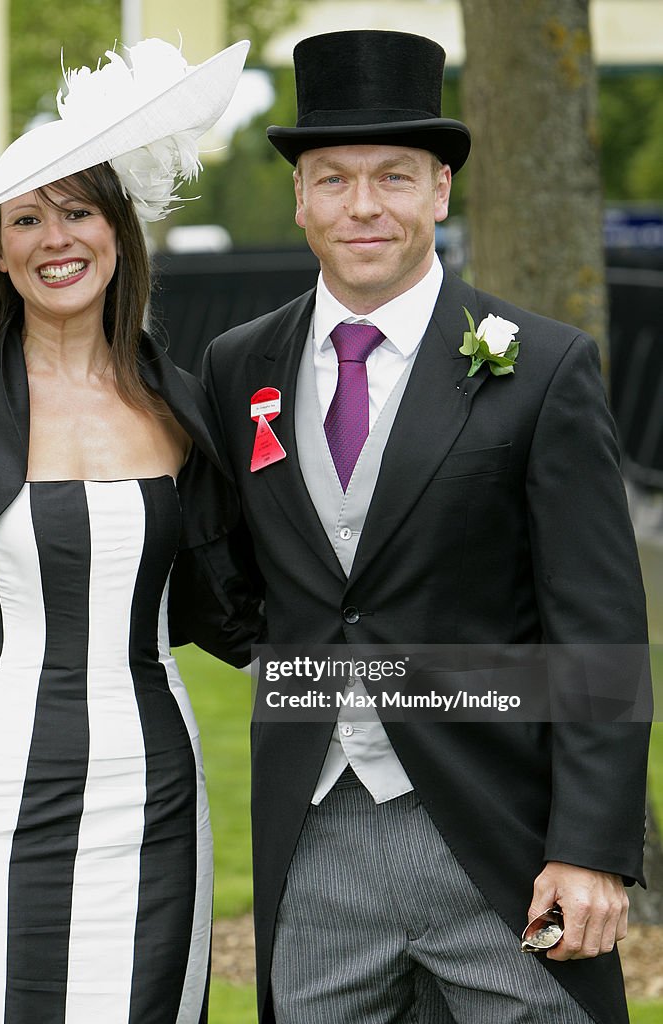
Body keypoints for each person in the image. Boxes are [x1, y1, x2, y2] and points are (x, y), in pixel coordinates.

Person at [181, 29, 650, 1024]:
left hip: (499, 833)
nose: (363, 206)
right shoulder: (237, 366)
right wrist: (34, 591)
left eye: (392, 177)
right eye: (332, 178)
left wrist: (591, 846)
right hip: (313, 838)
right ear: (300, 197)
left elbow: (596, 624)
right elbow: (218, 577)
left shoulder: (542, 366)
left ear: (439, 191)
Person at [0, 38, 254, 1024]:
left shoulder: (183, 405)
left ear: (117, 230)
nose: (54, 237)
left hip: (157, 796)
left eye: (77, 209)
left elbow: (229, 609)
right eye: (26, 217)